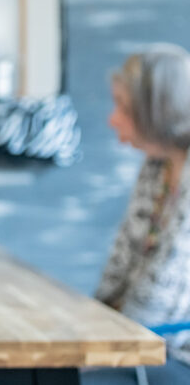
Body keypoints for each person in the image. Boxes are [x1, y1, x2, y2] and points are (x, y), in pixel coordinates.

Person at [93, 44, 190, 379]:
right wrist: (92, 325)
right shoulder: (157, 166)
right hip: (145, 341)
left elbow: (162, 297)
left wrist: (102, 347)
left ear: (158, 110)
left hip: (176, 352)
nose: (112, 118)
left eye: (123, 106)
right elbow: (121, 259)